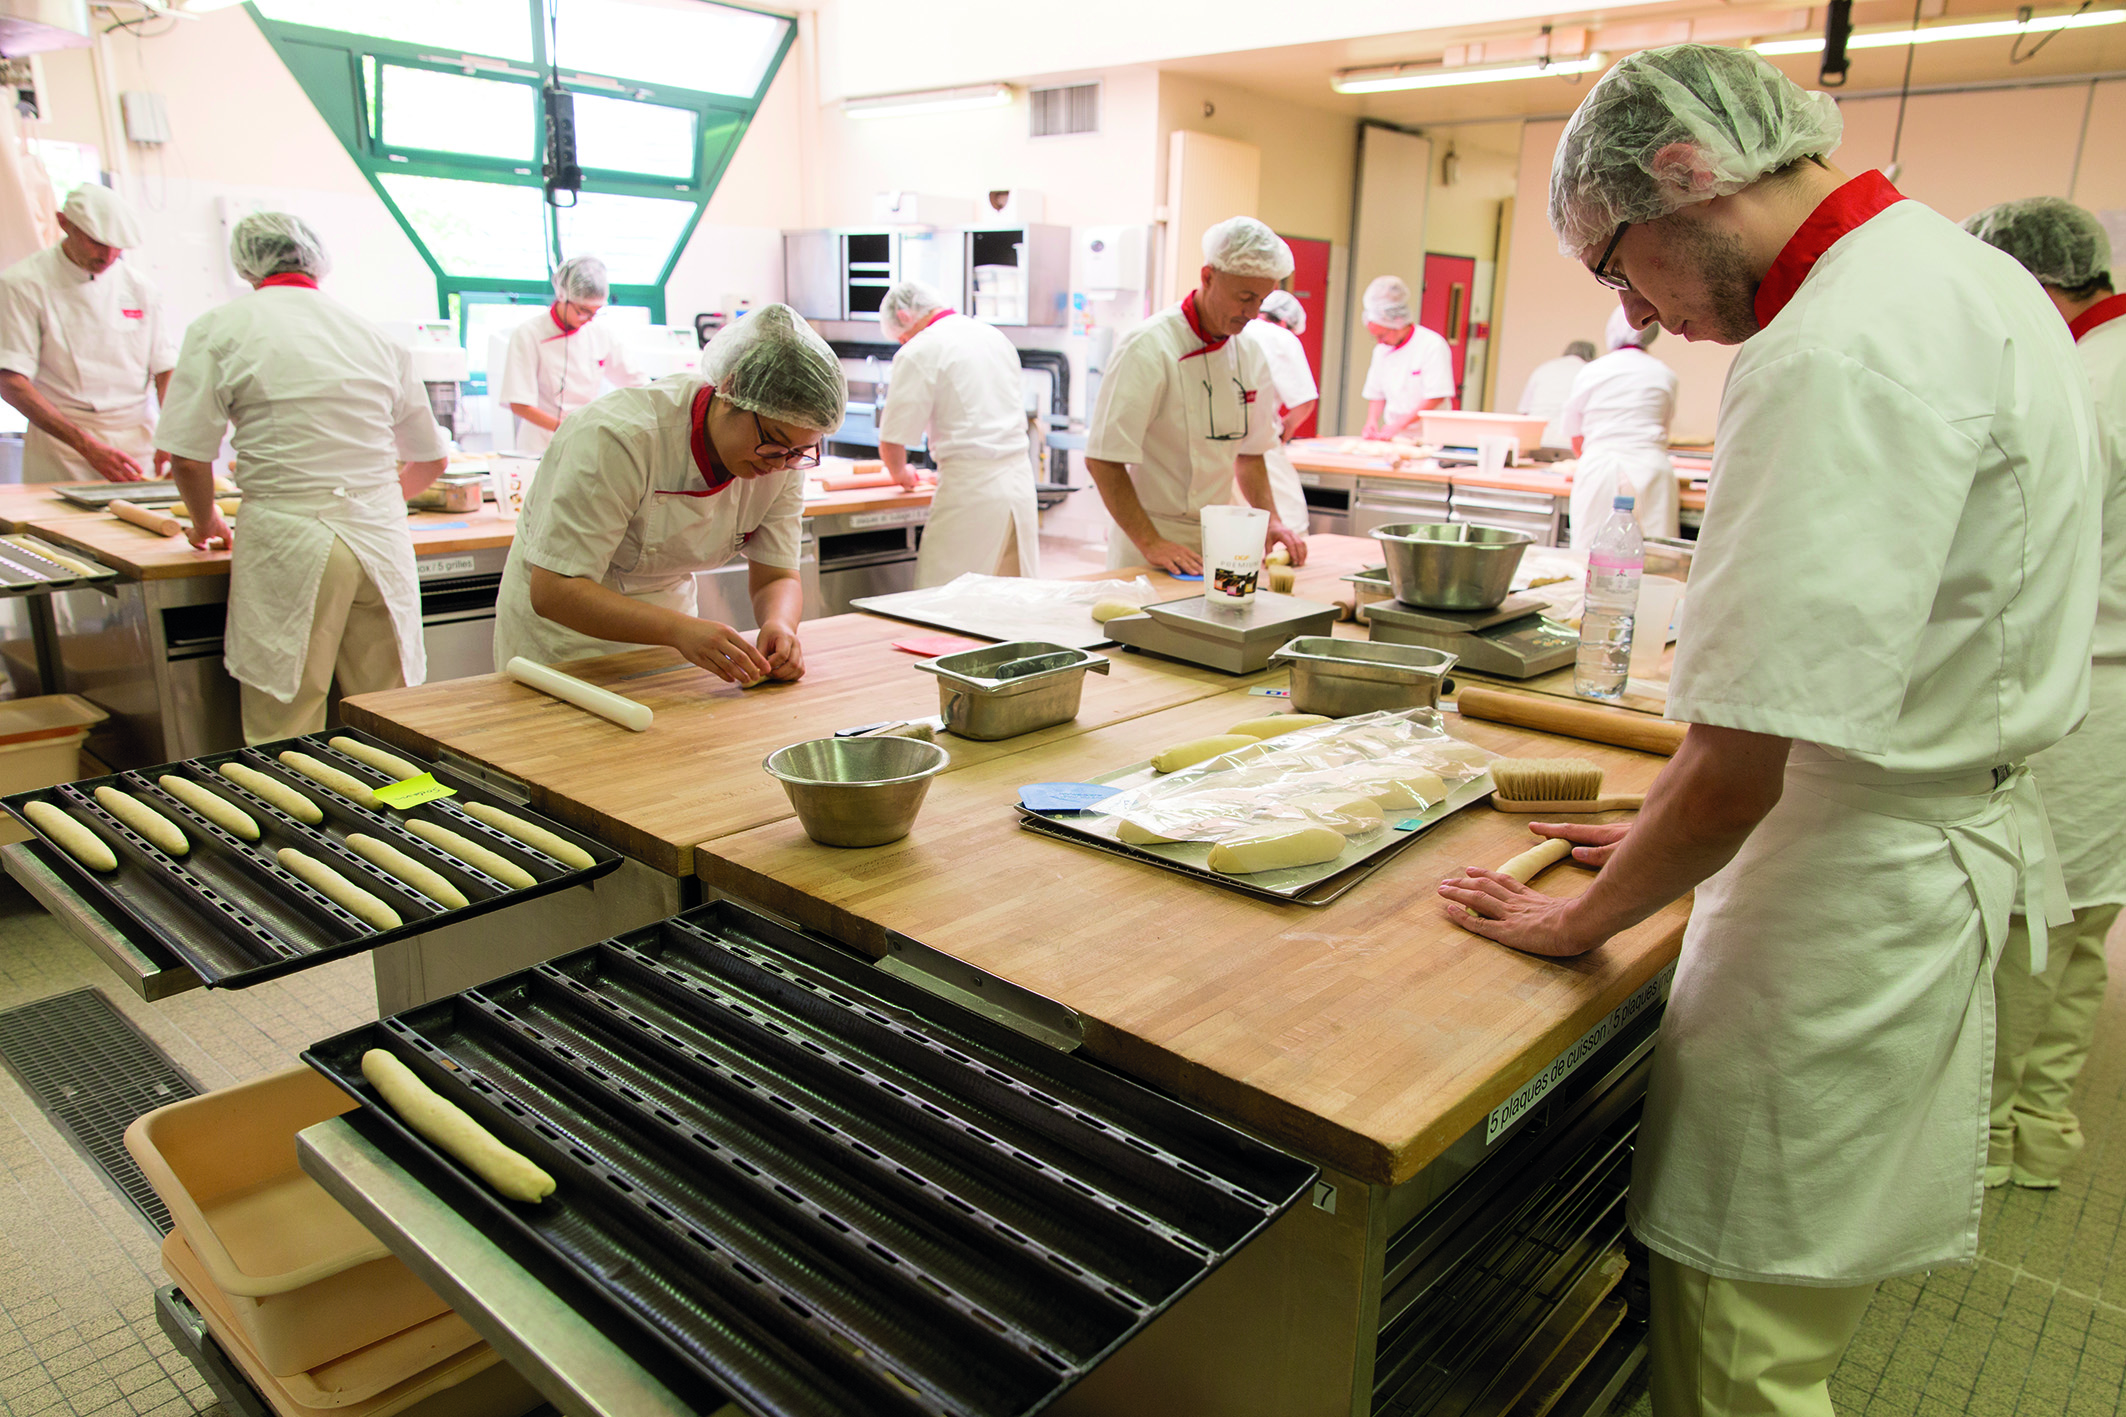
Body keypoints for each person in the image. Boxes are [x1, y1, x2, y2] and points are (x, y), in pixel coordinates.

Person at [1437, 44, 2098, 1417]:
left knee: (1737, 1326)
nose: (1647, 319)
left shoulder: (1829, 348)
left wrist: (1585, 915)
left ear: (1683, 176)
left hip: (1843, 898)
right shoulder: (1966, 275)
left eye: (1622, 271)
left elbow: (1742, 759)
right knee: (1791, 1309)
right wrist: (1666, 823)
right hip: (1918, 832)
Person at [1963, 196, 2126, 1191]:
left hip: (2086, 682)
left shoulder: (2086, 381)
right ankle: (2036, 1126)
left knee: (2035, 922)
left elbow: (2018, 552)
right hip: (2108, 685)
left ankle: (1982, 1139)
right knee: (2082, 928)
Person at [158, 214, 449, 743]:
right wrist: (374, 499)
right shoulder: (372, 335)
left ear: (246, 264)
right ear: (315, 260)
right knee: (392, 713)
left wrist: (205, 523)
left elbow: (187, 457)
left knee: (286, 721)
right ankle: (410, 817)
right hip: (379, 543)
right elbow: (430, 461)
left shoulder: (221, 328)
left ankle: (293, 820)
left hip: (289, 543)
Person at [493, 304, 840, 684]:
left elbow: (776, 574)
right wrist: (679, 630)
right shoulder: (617, 438)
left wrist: (780, 625)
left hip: (673, 645)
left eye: (801, 451)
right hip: (565, 646)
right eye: (775, 443)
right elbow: (555, 591)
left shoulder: (782, 459)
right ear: (729, 392)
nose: (781, 463)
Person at [1085, 216, 1305, 574]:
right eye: (1245, 297)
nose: (1252, 313)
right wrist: (1151, 543)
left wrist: (1273, 521)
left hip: (1217, 539)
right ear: (1207, 277)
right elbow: (1103, 460)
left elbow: (1250, 454)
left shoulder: (1249, 354)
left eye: (1261, 300)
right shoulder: (1149, 348)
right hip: (1149, 538)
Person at [0, 186, 178, 483]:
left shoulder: (140, 288)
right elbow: (10, 382)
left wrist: (175, 436)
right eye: (96, 242)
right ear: (64, 223)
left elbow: (165, 369)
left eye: (118, 246)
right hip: (62, 448)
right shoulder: (23, 284)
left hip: (138, 442)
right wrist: (87, 446)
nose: (108, 255)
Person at [876, 280, 1040, 587]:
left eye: (901, 337)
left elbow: (892, 439)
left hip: (970, 489)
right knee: (1012, 592)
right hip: (1019, 482)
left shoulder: (920, 349)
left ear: (904, 316)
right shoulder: (992, 336)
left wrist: (901, 474)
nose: (903, 342)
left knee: (941, 599)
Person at [497, 255, 646, 455]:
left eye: (596, 312)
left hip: (584, 440)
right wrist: (568, 427)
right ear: (562, 296)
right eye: (583, 311)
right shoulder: (528, 334)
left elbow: (637, 382)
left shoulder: (600, 334)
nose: (589, 318)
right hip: (540, 443)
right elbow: (519, 404)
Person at [1562, 308, 1679, 546]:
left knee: (1589, 557)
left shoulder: (1592, 371)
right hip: (1651, 470)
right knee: (1656, 560)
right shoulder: (1665, 374)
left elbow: (1576, 438)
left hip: (1599, 469)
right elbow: (1664, 433)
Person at [1250, 289, 1318, 535]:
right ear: (1284, 322)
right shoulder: (1281, 337)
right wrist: (1287, 428)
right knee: (1290, 524)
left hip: (1216, 450)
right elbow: (1305, 401)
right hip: (1261, 447)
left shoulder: (1236, 331)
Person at [1358, 275, 1455, 438]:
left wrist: (1399, 424)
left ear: (1397, 324)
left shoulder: (1431, 345)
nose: (1379, 342)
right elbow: (1376, 393)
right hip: (1398, 435)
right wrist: (1371, 422)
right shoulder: (1381, 351)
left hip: (1430, 435)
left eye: (1382, 336)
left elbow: (1436, 396)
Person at [1518, 339, 1597, 448]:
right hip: (1570, 442)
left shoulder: (1543, 368)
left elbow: (1524, 412)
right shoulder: (1589, 371)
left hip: (1537, 439)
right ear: (1592, 356)